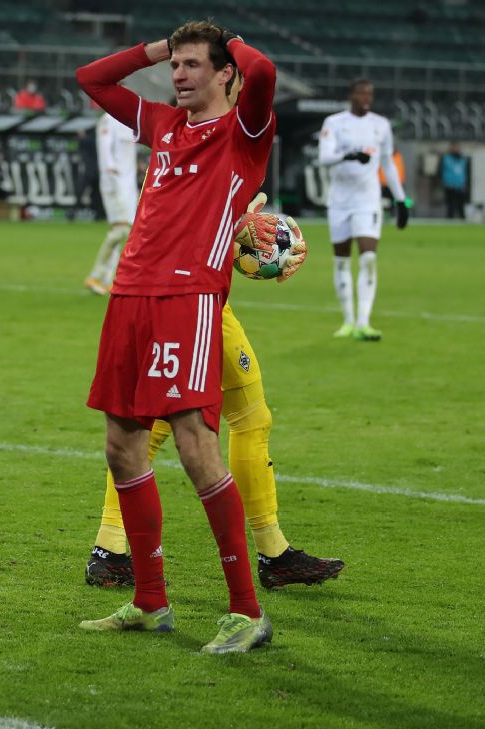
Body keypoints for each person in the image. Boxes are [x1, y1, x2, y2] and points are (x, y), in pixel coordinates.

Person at [76, 20, 293, 653]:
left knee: (196, 445)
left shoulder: (245, 131)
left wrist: (233, 39)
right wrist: (157, 48)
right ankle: (150, 601)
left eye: (193, 64)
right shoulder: (164, 125)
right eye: (175, 65)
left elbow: (264, 72)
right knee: (122, 446)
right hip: (129, 295)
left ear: (225, 73)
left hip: (188, 299)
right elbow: (92, 79)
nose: (178, 75)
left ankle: (246, 611)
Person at [84, 298, 344, 590]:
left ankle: (108, 548)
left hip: (149, 302)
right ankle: (271, 554)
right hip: (198, 304)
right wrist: (260, 264)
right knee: (247, 418)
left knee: (158, 417)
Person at [318, 78, 409, 342]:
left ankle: (363, 322)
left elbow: (388, 164)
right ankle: (347, 321)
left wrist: (401, 200)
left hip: (368, 201)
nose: (366, 99)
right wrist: (348, 156)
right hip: (339, 201)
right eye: (361, 94)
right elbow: (324, 158)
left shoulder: (381, 125)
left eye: (370, 94)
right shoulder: (334, 123)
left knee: (368, 258)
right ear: (352, 96)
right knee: (342, 260)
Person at [83, 113, 138, 295]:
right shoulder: (109, 119)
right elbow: (105, 150)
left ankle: (109, 280)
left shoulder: (130, 119)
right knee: (121, 231)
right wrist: (111, 174)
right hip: (115, 183)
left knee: (124, 233)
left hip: (129, 186)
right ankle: (96, 276)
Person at [440, 143, 469, 220]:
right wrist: (443, 181)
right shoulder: (446, 159)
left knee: (461, 204)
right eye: (454, 147)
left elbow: (465, 172)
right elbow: (441, 171)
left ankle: (462, 218)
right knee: (450, 204)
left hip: (460, 185)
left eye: (457, 148)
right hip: (449, 184)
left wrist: (465, 183)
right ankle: (450, 219)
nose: (456, 149)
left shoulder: (462, 159)